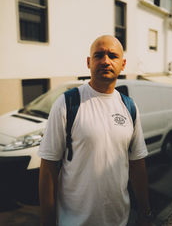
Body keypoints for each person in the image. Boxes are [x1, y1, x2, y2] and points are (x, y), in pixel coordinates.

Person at [38, 35, 152, 226]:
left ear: (123, 64)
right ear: (89, 62)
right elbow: (48, 167)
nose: (105, 61)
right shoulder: (67, 103)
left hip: (119, 220)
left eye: (112, 56)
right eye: (99, 55)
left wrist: (145, 212)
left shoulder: (129, 107)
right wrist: (47, 222)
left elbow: (137, 165)